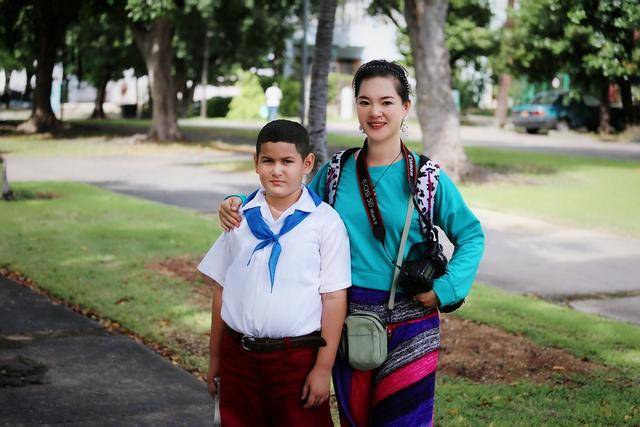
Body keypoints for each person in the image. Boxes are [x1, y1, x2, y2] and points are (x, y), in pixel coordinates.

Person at [218, 60, 485, 426]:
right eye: (365, 101)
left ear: (405, 107)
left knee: (405, 420)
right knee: (354, 419)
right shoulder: (336, 172)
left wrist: (445, 289)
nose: (375, 112)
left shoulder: (427, 177)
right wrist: (237, 203)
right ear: (356, 107)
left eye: (386, 102)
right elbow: (287, 202)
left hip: (412, 323)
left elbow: (471, 234)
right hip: (349, 322)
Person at [199, 119, 351, 426]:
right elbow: (221, 290)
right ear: (256, 163)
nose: (277, 170)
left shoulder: (325, 223)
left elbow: (334, 299)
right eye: (268, 161)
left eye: (287, 161)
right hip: (239, 356)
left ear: (307, 163)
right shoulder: (238, 217)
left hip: (295, 359)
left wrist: (322, 370)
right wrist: (215, 359)